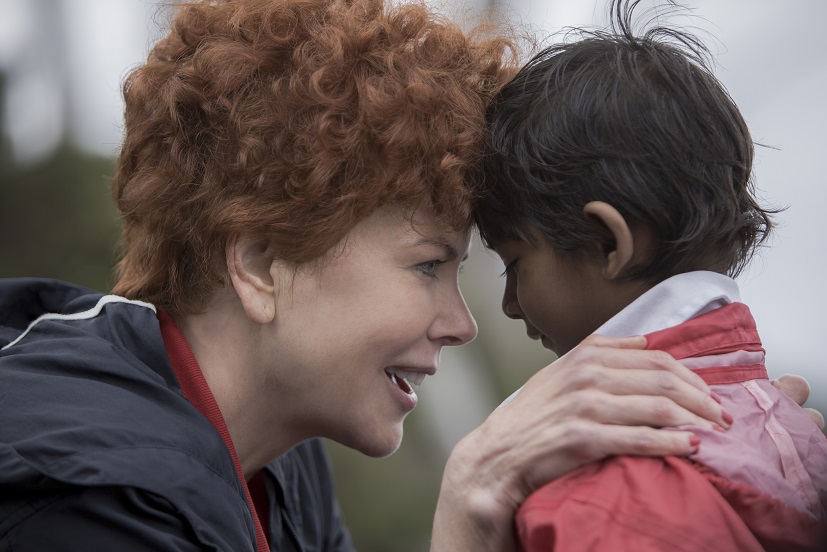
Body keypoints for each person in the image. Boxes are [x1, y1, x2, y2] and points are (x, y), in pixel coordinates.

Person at [0, 0, 812, 551]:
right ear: (258, 266)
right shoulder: (86, 502)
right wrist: (465, 505)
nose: (463, 322)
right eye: (428, 265)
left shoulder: (274, 459)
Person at [474, 1, 827, 550]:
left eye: (515, 265)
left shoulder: (604, 499)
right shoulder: (797, 435)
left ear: (609, 242)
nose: (509, 306)